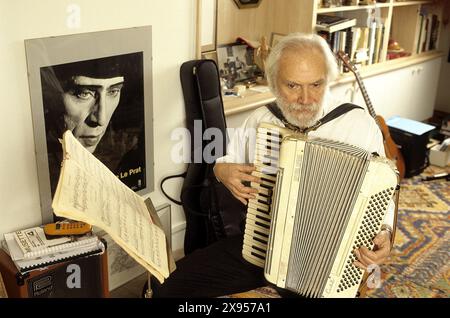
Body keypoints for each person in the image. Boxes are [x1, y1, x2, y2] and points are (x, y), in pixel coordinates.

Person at [151, 33, 395, 298]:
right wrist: (222, 171)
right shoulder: (263, 119)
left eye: (316, 84)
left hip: (327, 261)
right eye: (292, 86)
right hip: (262, 246)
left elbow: (383, 192)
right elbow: (224, 160)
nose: (306, 98)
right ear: (274, 83)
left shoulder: (358, 125)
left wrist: (386, 232)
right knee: (167, 287)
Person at [41, 53, 146, 194]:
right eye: (83, 94)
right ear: (49, 94)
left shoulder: (125, 158)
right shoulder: (39, 168)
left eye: (113, 91)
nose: (101, 120)